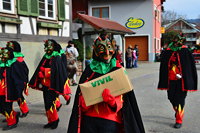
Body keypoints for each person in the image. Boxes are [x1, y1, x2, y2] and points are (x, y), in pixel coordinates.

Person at [67, 34, 145, 133]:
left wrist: (113, 102)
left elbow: (124, 97)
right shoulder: (90, 70)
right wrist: (85, 102)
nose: (107, 52)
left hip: (110, 121)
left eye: (108, 48)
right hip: (89, 121)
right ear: (95, 51)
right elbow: (81, 96)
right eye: (101, 48)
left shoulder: (117, 68)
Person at [157, 33, 198, 129]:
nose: (175, 43)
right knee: (171, 97)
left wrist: (185, 76)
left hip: (182, 82)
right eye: (174, 41)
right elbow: (163, 66)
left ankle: (179, 119)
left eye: (177, 41)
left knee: (180, 100)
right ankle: (177, 111)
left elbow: (189, 67)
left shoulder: (185, 51)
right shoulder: (167, 51)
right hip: (170, 80)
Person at [28, 39, 71, 129]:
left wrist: (44, 72)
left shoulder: (57, 57)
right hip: (45, 85)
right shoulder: (46, 56)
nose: (46, 48)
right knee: (46, 104)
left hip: (53, 85)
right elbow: (41, 67)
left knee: (51, 103)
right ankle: (50, 120)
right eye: (46, 46)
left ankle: (55, 120)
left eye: (49, 46)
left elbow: (57, 72)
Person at [0, 47, 28, 130]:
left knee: (7, 107)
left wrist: (19, 90)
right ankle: (14, 115)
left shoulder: (15, 64)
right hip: (1, 90)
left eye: (4, 54)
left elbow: (19, 78)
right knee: (1, 107)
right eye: (1, 54)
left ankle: (12, 122)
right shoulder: (1, 64)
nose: (2, 56)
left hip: (9, 91)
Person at [6, 41, 29, 118]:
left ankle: (25, 110)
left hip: (18, 81)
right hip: (9, 81)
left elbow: (23, 71)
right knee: (9, 98)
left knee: (19, 96)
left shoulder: (18, 58)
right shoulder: (8, 56)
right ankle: (10, 113)